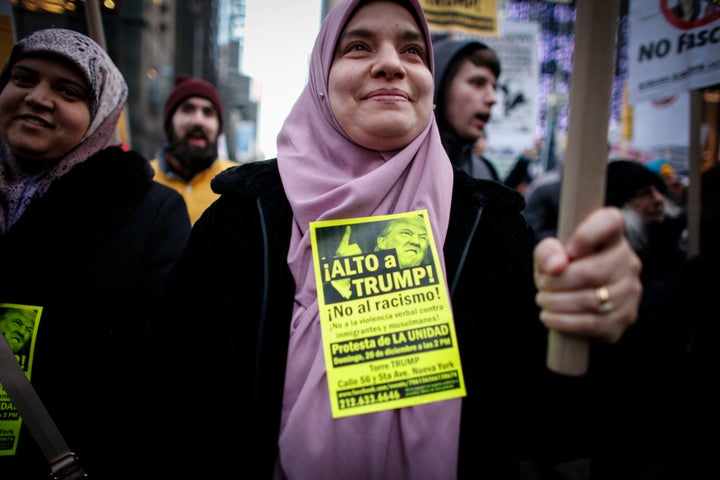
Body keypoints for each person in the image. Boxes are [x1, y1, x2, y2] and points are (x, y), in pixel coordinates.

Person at [142, 1, 645, 478]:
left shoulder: (490, 228)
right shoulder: (239, 220)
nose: (391, 65)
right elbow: (169, 397)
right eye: (358, 46)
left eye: (412, 50)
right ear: (320, 78)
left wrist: (595, 326)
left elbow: (554, 425)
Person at [0, 28, 191, 479]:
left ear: (102, 113)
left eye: (68, 91)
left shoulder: (149, 215)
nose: (38, 98)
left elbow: (164, 382)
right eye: (23, 79)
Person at [151, 74, 236, 224]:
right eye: (188, 109)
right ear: (169, 123)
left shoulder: (237, 185)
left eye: (208, 112)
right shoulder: (144, 181)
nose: (198, 121)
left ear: (219, 128)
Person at [432, 37, 501, 181]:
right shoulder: (401, 170)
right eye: (477, 83)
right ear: (440, 87)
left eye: (494, 87)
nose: (492, 98)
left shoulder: (485, 175)